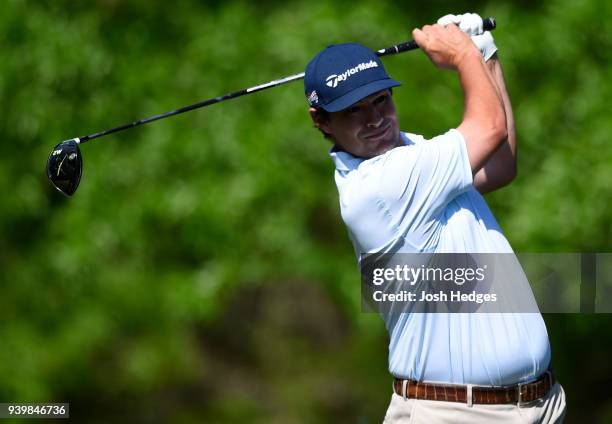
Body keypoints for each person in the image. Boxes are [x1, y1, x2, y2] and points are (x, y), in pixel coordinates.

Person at [304, 13, 566, 423]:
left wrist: (485, 54)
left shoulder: (411, 154)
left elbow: (500, 165)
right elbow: (490, 126)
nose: (375, 119)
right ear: (322, 122)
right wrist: (463, 55)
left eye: (381, 100)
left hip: (537, 406)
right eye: (354, 111)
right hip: (454, 413)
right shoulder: (378, 187)